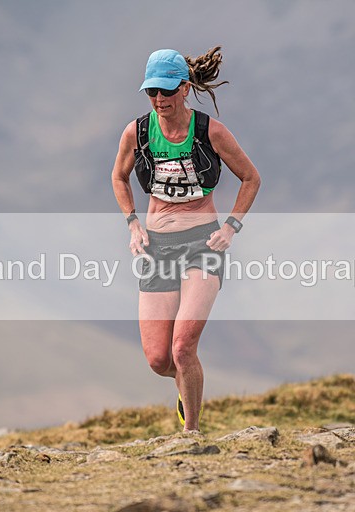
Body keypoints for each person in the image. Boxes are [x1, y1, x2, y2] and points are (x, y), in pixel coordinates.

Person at [111, 47, 260, 433]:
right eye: (151, 92)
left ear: (184, 87)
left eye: (166, 91)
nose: (159, 100)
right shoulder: (137, 132)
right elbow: (118, 177)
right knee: (160, 358)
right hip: (156, 248)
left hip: (202, 245)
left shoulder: (210, 131)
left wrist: (230, 228)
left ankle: (190, 435)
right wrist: (132, 223)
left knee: (182, 347)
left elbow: (251, 178)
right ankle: (185, 386)